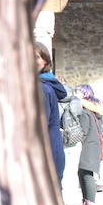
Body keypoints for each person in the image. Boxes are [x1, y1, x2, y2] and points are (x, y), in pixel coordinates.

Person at [36, 42, 68, 186]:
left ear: (46, 62)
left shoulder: (41, 88)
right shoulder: (45, 85)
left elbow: (38, 127)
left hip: (44, 157)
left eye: (36, 57)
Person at [71, 84, 103, 205]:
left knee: (86, 174)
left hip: (88, 145)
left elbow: (84, 131)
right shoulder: (93, 109)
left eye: (77, 92)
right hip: (94, 144)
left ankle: (90, 203)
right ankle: (86, 201)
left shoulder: (85, 111)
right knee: (85, 173)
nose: (75, 94)